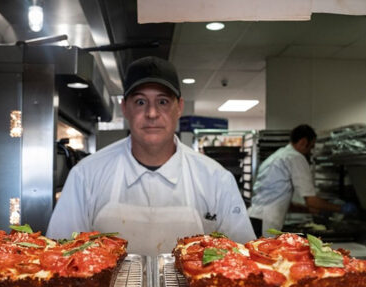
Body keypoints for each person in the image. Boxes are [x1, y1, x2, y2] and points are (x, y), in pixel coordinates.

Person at [46, 56, 255, 257]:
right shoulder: (86, 175)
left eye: (163, 102)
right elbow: (59, 256)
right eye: (140, 102)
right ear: (125, 108)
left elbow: (243, 257)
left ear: (179, 107)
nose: (152, 113)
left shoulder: (216, 179)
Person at [248, 124, 357, 237]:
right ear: (304, 142)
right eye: (311, 146)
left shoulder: (278, 156)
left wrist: (310, 210)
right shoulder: (295, 157)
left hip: (254, 218)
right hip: (266, 222)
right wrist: (341, 208)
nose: (310, 151)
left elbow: (277, 199)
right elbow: (311, 201)